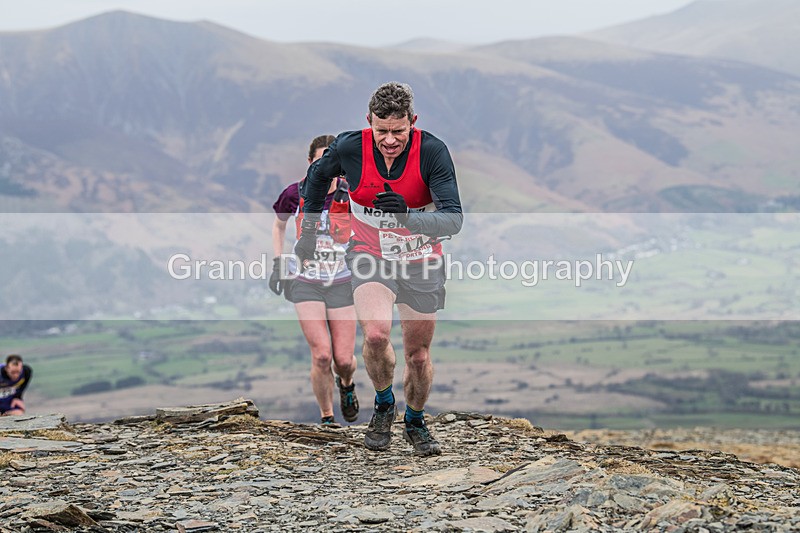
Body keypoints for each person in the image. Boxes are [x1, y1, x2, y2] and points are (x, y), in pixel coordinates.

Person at [296, 82, 463, 456]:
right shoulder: (350, 147)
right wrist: (307, 233)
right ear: (368, 122)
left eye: (398, 131)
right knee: (374, 335)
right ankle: (385, 404)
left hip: (420, 260)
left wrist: (407, 216)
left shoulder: (432, 152)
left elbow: (454, 220)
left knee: (417, 355)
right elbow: (317, 178)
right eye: (381, 130)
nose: (389, 140)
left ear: (412, 123)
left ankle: (416, 421)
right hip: (371, 255)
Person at [270, 135, 359, 426]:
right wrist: (279, 261)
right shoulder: (294, 194)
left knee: (343, 360)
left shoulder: (352, 195)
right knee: (321, 355)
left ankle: (346, 385)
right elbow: (279, 223)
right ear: (310, 163)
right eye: (320, 161)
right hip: (305, 282)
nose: (326, 168)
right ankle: (327, 419)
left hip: (343, 282)